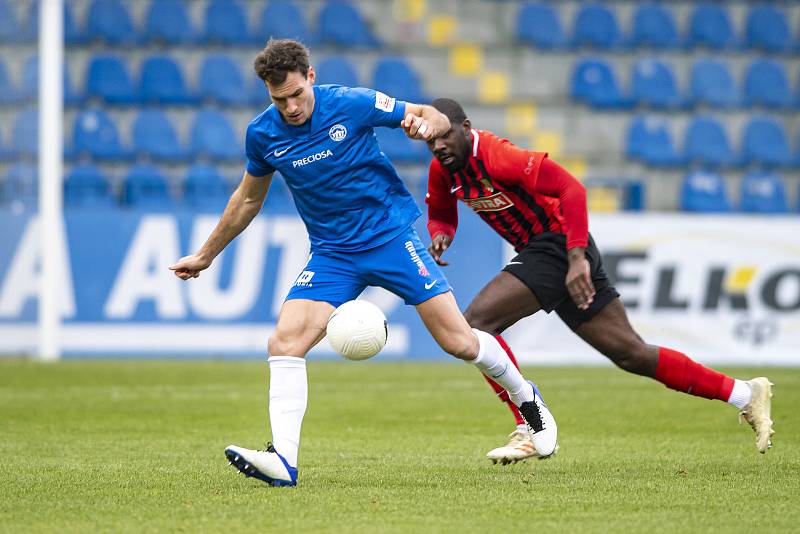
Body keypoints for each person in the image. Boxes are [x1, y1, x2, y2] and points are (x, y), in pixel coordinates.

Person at [168, 40, 557, 487]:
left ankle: (528, 402)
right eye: (280, 99)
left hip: (391, 237)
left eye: (297, 94)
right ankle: (283, 460)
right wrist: (205, 255)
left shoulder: (351, 103)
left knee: (460, 341)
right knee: (285, 343)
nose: (291, 107)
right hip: (333, 253)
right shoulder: (263, 134)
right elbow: (247, 199)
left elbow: (434, 116)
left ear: (311, 76)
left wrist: (422, 125)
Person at [423, 97, 775, 458]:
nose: (438, 145)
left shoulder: (498, 156)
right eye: (431, 139)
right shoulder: (443, 169)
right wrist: (441, 234)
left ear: (466, 129)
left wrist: (576, 258)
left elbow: (572, 189)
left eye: (445, 135)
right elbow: (440, 212)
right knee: (631, 353)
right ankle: (745, 394)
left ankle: (530, 423)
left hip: (560, 246)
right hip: (549, 254)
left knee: (475, 325)